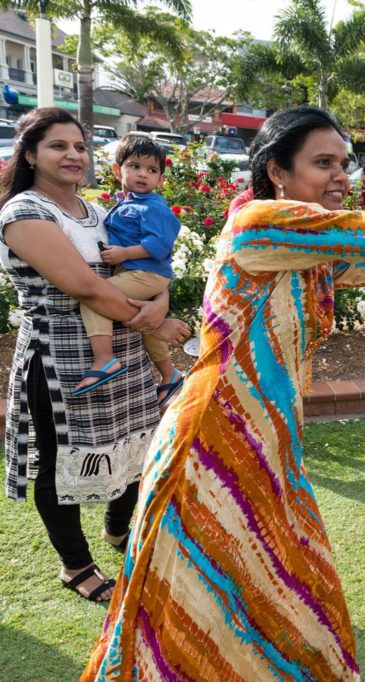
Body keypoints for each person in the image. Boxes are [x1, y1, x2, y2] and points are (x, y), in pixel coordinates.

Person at [82, 100, 365, 681]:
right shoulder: (260, 223)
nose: (341, 176)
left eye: (345, 163)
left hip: (269, 437)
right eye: (323, 162)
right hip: (213, 441)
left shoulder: (305, 248)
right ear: (277, 172)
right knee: (198, 606)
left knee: (280, 589)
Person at [0, 108, 189, 603]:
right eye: (58, 146)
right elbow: (85, 286)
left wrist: (161, 301)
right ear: (30, 154)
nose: (73, 155)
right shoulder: (25, 213)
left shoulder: (95, 211)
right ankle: (75, 565)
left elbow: (147, 264)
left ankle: (117, 531)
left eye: (80, 146)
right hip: (61, 360)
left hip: (122, 356)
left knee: (132, 449)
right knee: (60, 464)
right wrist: (158, 321)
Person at [74, 135, 184, 408]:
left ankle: (104, 359)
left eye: (152, 170)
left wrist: (124, 254)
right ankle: (170, 375)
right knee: (148, 329)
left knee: (95, 299)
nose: (143, 174)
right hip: (140, 274)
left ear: (160, 179)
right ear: (117, 170)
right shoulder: (127, 204)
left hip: (145, 274)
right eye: (135, 166)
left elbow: (159, 245)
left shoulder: (154, 207)